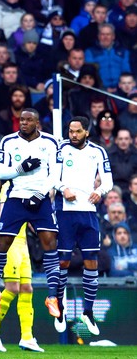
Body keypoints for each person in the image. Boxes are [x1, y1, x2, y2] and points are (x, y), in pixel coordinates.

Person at [0, 108, 62, 321]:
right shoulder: (8, 141)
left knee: (50, 243)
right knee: (2, 244)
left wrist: (40, 194)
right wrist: (20, 168)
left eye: (29, 120)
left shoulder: (50, 142)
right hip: (15, 197)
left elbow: (55, 173)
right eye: (21, 120)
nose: (24, 123)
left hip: (40, 200)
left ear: (37, 123)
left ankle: (52, 297)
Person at [54, 116, 113, 336]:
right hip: (65, 212)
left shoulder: (97, 151)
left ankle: (88, 311)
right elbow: (51, 176)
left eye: (77, 132)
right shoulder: (61, 149)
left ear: (86, 132)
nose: (73, 135)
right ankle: (59, 307)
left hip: (88, 212)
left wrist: (100, 191)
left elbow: (108, 180)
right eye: (71, 131)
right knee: (63, 261)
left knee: (91, 262)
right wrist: (62, 188)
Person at [0, 181, 44, 353]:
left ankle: (27, 337)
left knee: (27, 288)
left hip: (23, 242)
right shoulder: (8, 187)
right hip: (9, 242)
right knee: (12, 288)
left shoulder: (29, 185)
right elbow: (6, 214)